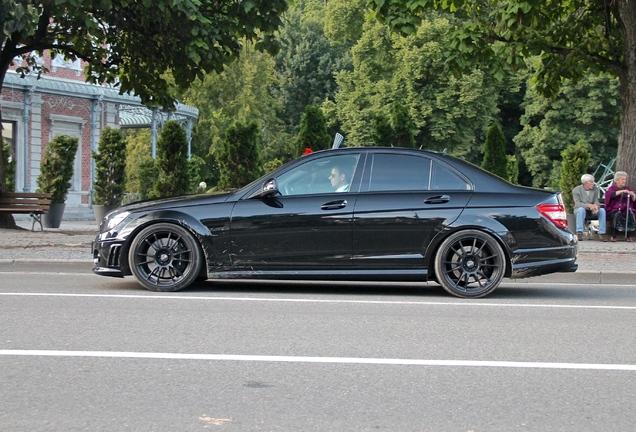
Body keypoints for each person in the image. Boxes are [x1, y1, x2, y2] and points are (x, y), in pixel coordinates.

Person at [572, 174, 606, 241]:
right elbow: (578, 203)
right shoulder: (576, 190)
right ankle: (579, 232)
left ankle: (602, 233)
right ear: (585, 183)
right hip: (581, 210)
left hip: (592, 210)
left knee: (602, 210)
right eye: (591, 182)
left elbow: (596, 201)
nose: (593, 183)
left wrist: (596, 207)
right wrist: (589, 206)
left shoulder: (595, 189)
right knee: (581, 210)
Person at [604, 171, 636, 242]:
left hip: (626, 208)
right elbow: (611, 195)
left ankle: (629, 236)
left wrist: (632, 195)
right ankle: (614, 235)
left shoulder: (627, 188)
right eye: (622, 179)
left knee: (631, 215)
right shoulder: (612, 188)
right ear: (617, 180)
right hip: (615, 209)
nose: (624, 181)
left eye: (625, 179)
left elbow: (634, 199)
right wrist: (621, 192)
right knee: (616, 215)